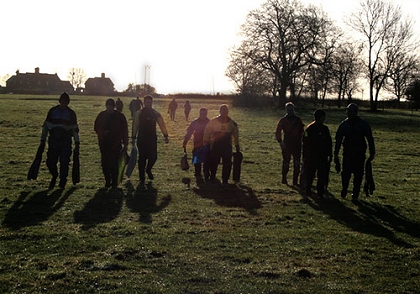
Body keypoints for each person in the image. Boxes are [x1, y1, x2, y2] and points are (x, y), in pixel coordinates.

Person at [334, 103, 375, 201]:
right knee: (346, 173)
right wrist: (335, 154)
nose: (349, 113)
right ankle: (344, 189)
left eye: (350, 111)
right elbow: (338, 140)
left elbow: (370, 138)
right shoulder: (344, 124)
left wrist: (372, 152)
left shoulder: (362, 124)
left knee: (358, 174)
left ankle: (355, 193)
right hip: (347, 153)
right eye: (348, 111)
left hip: (359, 153)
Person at [40, 92, 80, 189]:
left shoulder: (71, 114)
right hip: (53, 140)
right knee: (50, 161)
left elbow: (74, 128)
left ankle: (63, 181)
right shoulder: (52, 111)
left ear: (68, 102)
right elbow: (46, 126)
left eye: (65, 102)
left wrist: (77, 142)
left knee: (64, 161)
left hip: (66, 140)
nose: (63, 103)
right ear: (60, 101)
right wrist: (42, 139)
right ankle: (54, 174)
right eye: (62, 101)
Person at [132, 95, 169, 184]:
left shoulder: (156, 113)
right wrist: (133, 137)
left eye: (150, 102)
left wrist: (166, 135)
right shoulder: (139, 113)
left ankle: (148, 170)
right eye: (147, 102)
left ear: (152, 103)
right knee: (142, 159)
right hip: (141, 139)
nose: (148, 104)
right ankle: (142, 177)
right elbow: (135, 125)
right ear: (144, 103)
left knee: (153, 157)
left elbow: (162, 124)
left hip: (152, 139)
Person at [94, 98, 129, 188]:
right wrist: (103, 133)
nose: (109, 108)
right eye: (108, 107)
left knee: (114, 163)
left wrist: (125, 143)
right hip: (104, 144)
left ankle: (114, 182)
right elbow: (96, 128)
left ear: (114, 107)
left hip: (116, 144)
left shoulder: (120, 116)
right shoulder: (101, 116)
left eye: (111, 107)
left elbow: (125, 130)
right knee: (105, 163)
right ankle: (107, 180)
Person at [203, 104, 240, 185]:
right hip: (216, 145)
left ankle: (225, 179)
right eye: (222, 110)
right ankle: (212, 176)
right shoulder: (213, 121)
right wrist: (206, 142)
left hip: (227, 146)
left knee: (227, 163)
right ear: (220, 111)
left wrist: (237, 145)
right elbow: (207, 132)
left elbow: (235, 135)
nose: (224, 111)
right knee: (214, 161)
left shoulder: (232, 123)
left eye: (226, 110)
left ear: (228, 111)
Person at [302, 109, 332, 197]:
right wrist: (305, 155)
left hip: (322, 156)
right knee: (310, 174)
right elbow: (305, 142)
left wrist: (330, 154)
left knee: (321, 175)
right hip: (312, 155)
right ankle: (308, 190)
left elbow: (329, 142)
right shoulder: (310, 128)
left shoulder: (324, 129)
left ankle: (320, 192)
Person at [275, 102, 304, 186]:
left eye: (291, 109)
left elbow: (302, 132)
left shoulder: (298, 120)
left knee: (297, 162)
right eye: (289, 109)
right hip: (287, 143)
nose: (290, 111)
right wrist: (280, 142)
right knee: (286, 162)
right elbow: (278, 132)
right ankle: (284, 178)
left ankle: (295, 181)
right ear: (286, 110)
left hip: (296, 143)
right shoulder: (283, 120)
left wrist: (302, 142)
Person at [182, 108, 210, 178]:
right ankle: (197, 173)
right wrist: (185, 141)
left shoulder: (209, 122)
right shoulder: (195, 122)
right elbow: (189, 132)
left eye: (204, 114)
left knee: (207, 159)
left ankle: (206, 172)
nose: (202, 115)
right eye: (201, 114)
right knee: (197, 159)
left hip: (206, 143)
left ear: (206, 114)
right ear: (199, 114)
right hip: (197, 143)